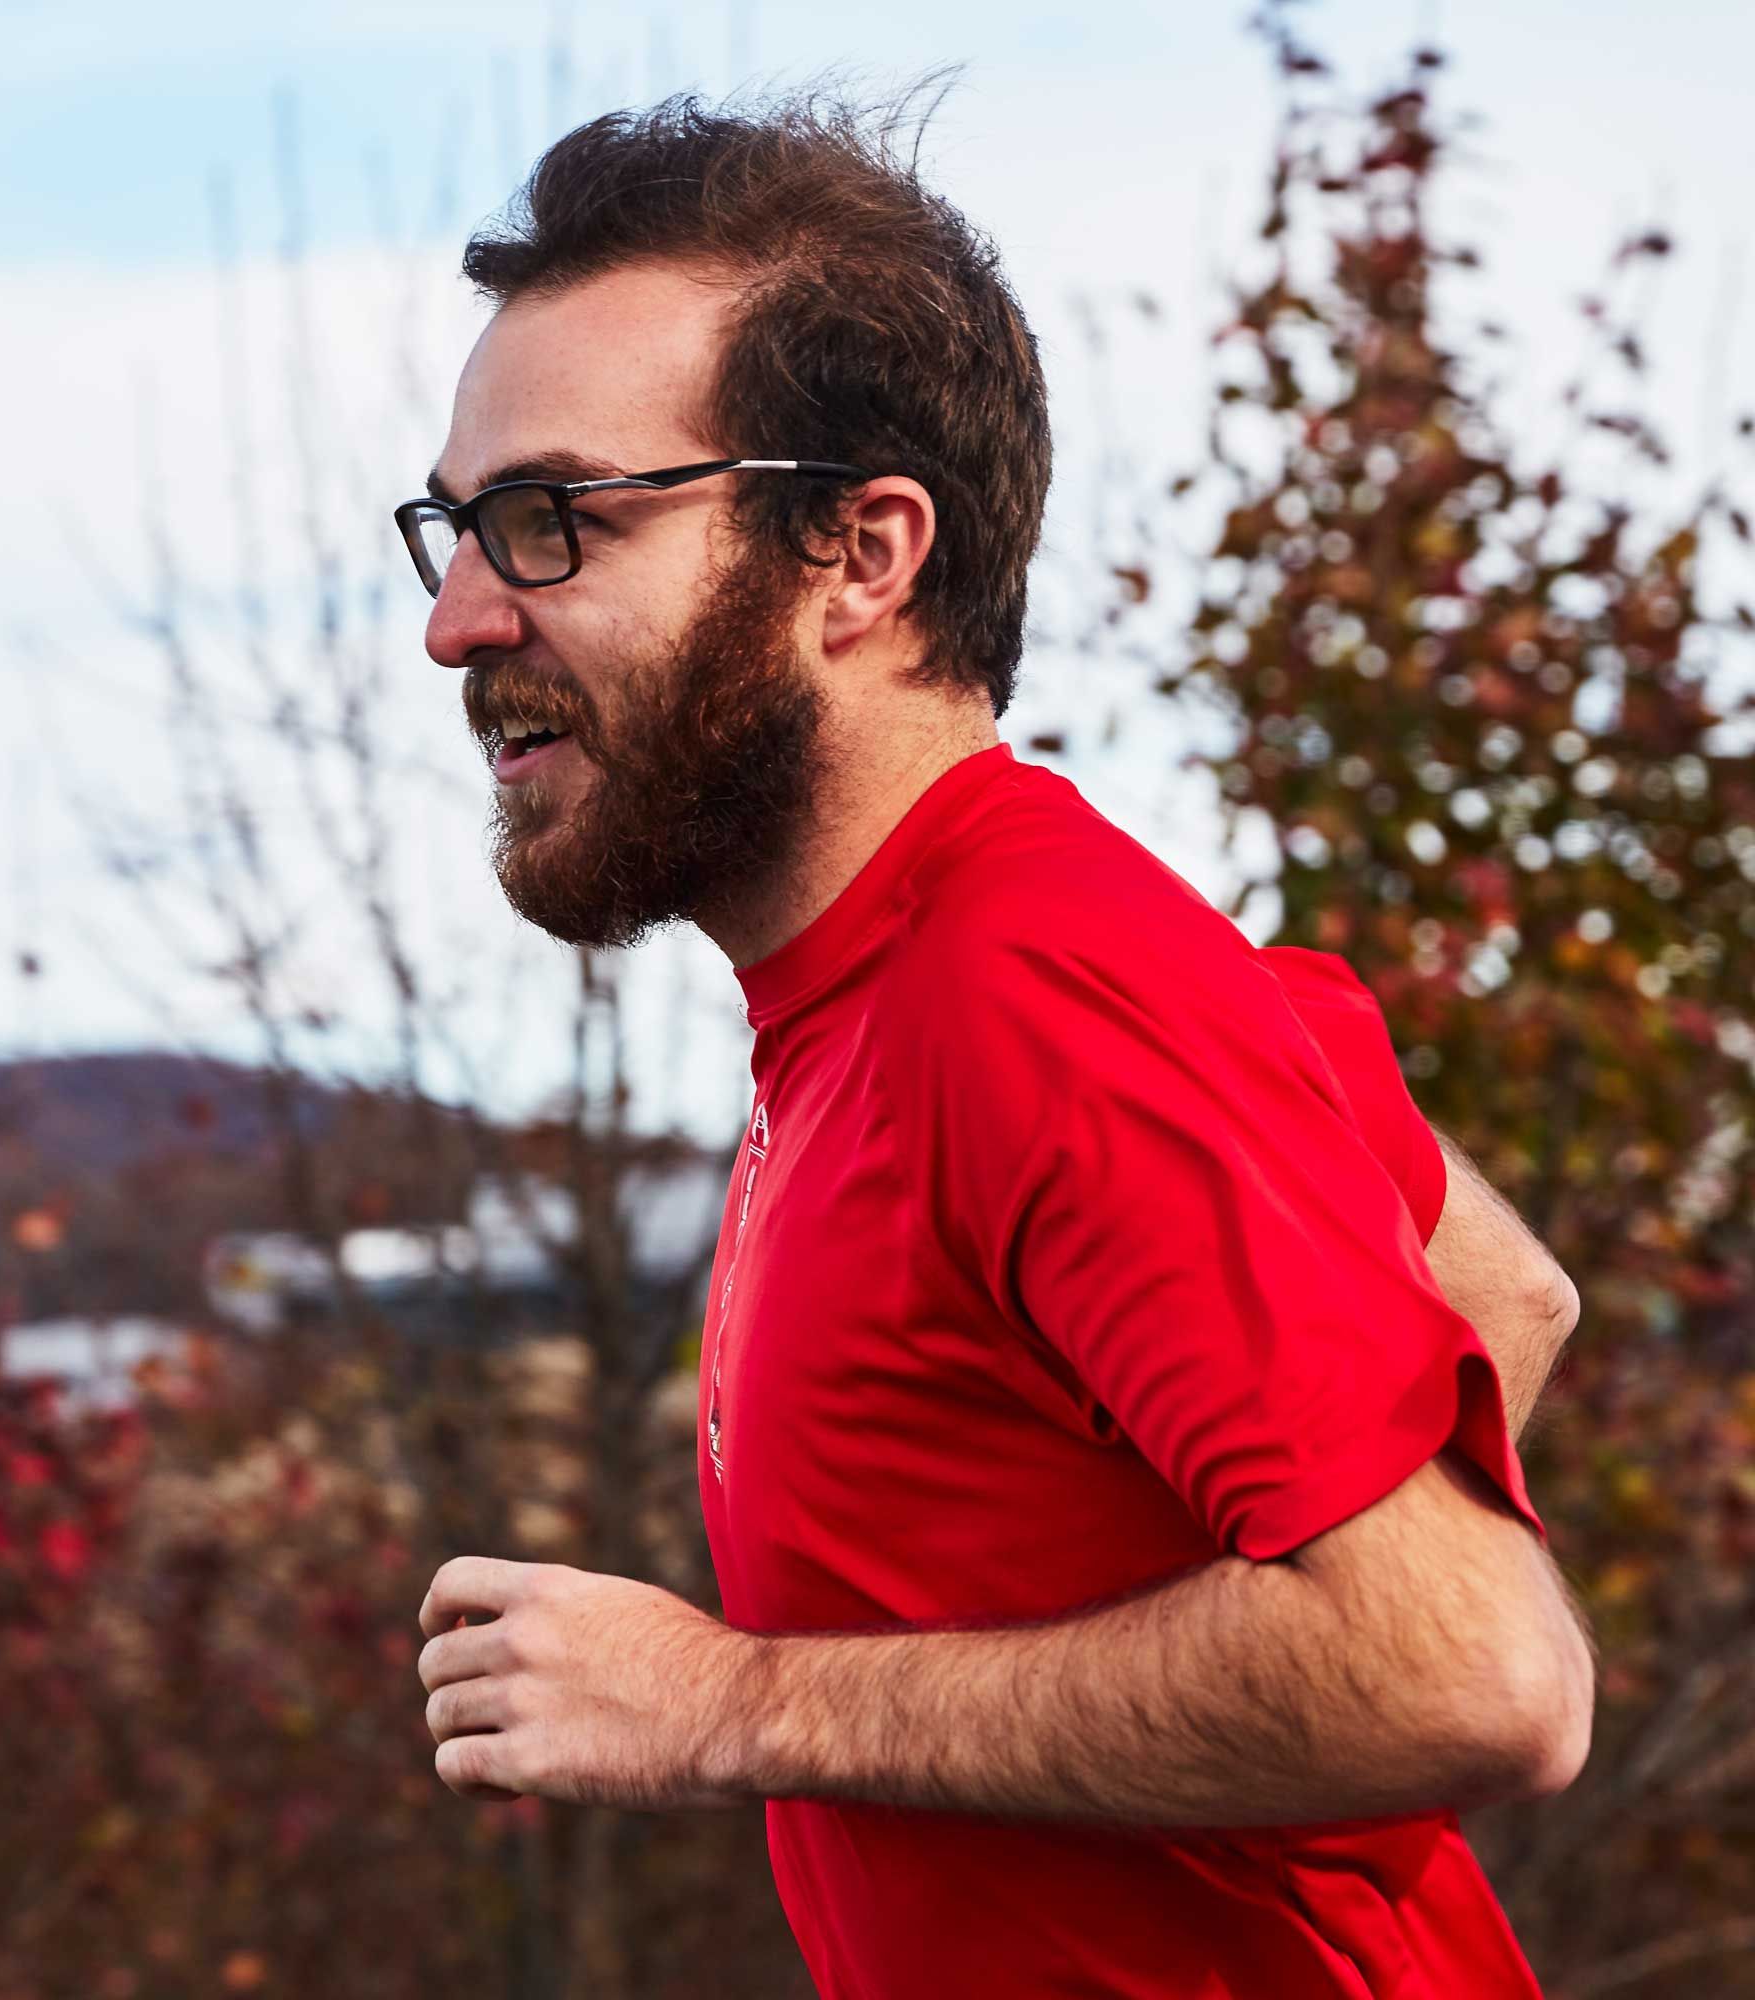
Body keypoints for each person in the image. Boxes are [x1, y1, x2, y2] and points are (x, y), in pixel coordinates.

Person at [408, 89, 1594, 1999]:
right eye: (457, 531)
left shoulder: (1035, 983)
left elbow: (1475, 1667)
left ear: (860, 555)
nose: (461, 622)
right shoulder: (957, 980)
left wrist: (728, 1705)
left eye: (552, 523)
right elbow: (1503, 1294)